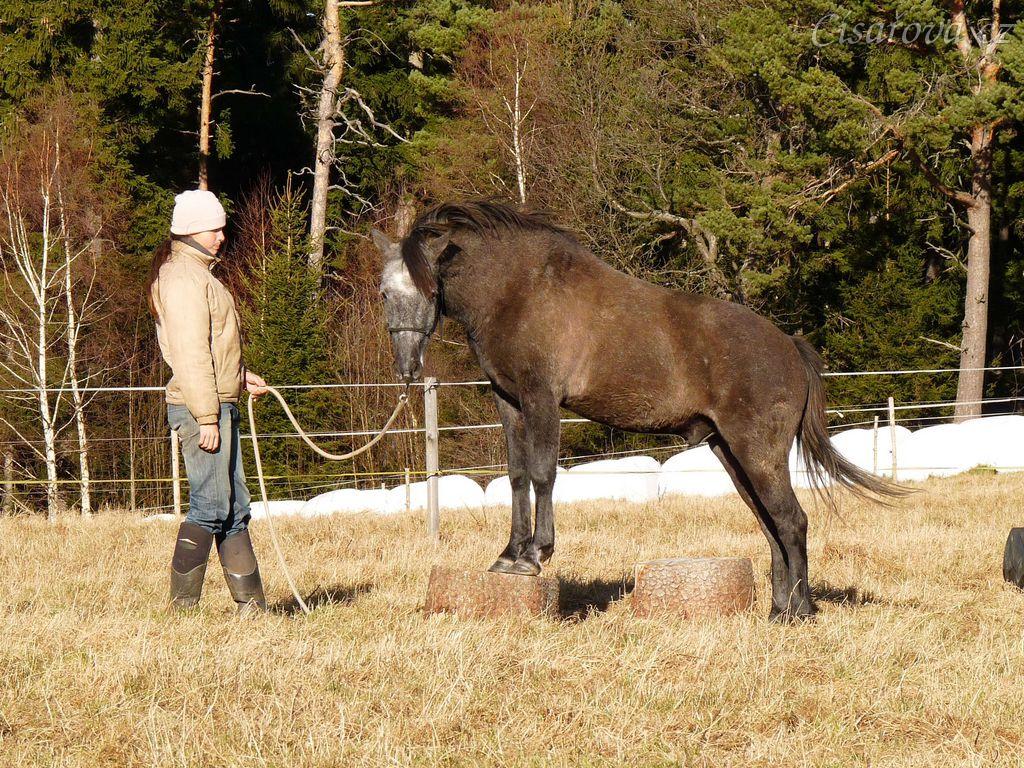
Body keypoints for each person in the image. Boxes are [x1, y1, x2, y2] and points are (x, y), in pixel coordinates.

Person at [147, 189, 270, 614]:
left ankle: (252, 608)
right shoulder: (184, 279)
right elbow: (190, 352)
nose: (221, 236)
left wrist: (238, 375)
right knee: (211, 505)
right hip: (204, 407)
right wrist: (207, 416)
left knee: (234, 506)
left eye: (221, 228)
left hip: (217, 401)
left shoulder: (197, 274)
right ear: (190, 230)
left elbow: (213, 345)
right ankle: (183, 610)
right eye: (213, 229)